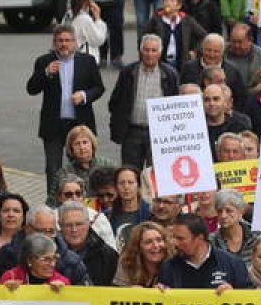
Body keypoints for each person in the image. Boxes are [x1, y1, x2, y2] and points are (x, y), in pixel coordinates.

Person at [26, 26, 105, 202]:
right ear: (54, 43)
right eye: (60, 41)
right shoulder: (44, 61)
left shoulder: (88, 61)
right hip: (53, 125)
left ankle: (84, 202)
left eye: (68, 40)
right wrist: (46, 73)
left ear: (75, 43)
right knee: (53, 168)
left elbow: (99, 88)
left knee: (82, 165)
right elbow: (31, 89)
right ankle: (53, 204)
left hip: (79, 125)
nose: (64, 44)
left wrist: (84, 96)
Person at [108, 34, 180, 168]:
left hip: (159, 134)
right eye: (146, 50)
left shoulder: (170, 74)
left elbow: (176, 104)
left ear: (160, 52)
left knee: (157, 173)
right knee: (130, 172)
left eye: (154, 50)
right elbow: (115, 101)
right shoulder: (128, 72)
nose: (149, 54)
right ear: (141, 51)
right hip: (132, 132)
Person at [53, 125, 116, 202]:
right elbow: (52, 203)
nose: (82, 147)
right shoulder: (63, 173)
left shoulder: (108, 165)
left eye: (85, 142)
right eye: (77, 144)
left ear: (92, 144)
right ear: (71, 148)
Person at [210, 189, 260, 269]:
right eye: (219, 211)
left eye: (229, 211)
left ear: (241, 212)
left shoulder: (256, 238)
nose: (223, 216)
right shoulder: (211, 241)